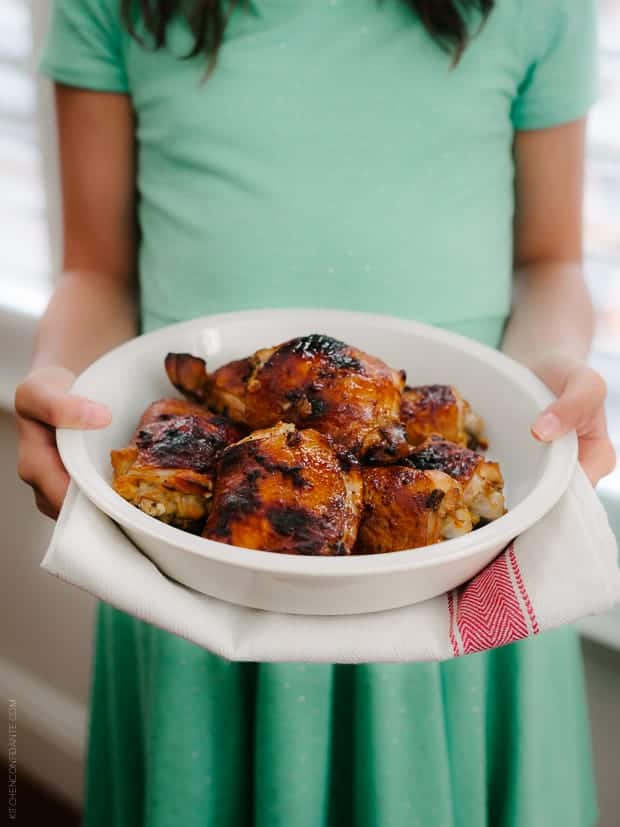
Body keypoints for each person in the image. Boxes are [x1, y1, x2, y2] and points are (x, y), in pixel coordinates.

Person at [14, 1, 616, 825]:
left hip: (457, 564)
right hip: (197, 570)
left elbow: (550, 261)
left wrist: (543, 381)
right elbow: (97, 270)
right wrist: (59, 377)